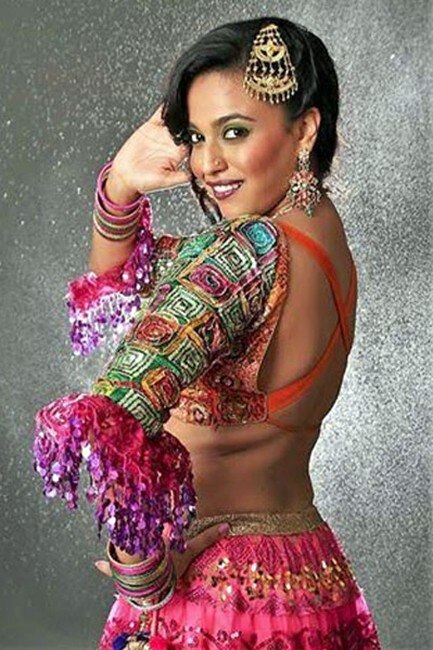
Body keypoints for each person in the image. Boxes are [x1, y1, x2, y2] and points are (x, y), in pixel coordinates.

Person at [32, 16, 382, 649]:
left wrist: (143, 578)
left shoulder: (245, 251)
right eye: (196, 137)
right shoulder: (324, 241)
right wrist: (121, 186)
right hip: (308, 578)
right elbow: (133, 279)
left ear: (304, 129)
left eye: (235, 131)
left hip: (214, 600)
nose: (207, 163)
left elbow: (111, 422)